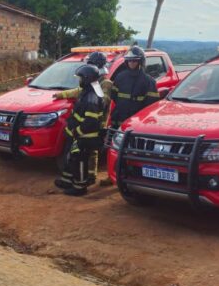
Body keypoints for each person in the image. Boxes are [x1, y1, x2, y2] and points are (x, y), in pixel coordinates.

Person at [53, 51, 113, 184]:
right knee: (82, 151)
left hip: (97, 121)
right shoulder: (92, 82)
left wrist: (89, 100)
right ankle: (83, 176)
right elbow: (79, 91)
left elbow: (103, 101)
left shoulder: (105, 83)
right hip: (88, 121)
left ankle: (90, 176)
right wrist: (62, 94)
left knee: (92, 151)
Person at [110, 46, 159, 129]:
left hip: (137, 122)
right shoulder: (120, 77)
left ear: (140, 61)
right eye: (129, 60)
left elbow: (151, 105)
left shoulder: (148, 81)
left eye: (134, 60)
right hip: (118, 120)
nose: (131, 62)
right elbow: (114, 96)